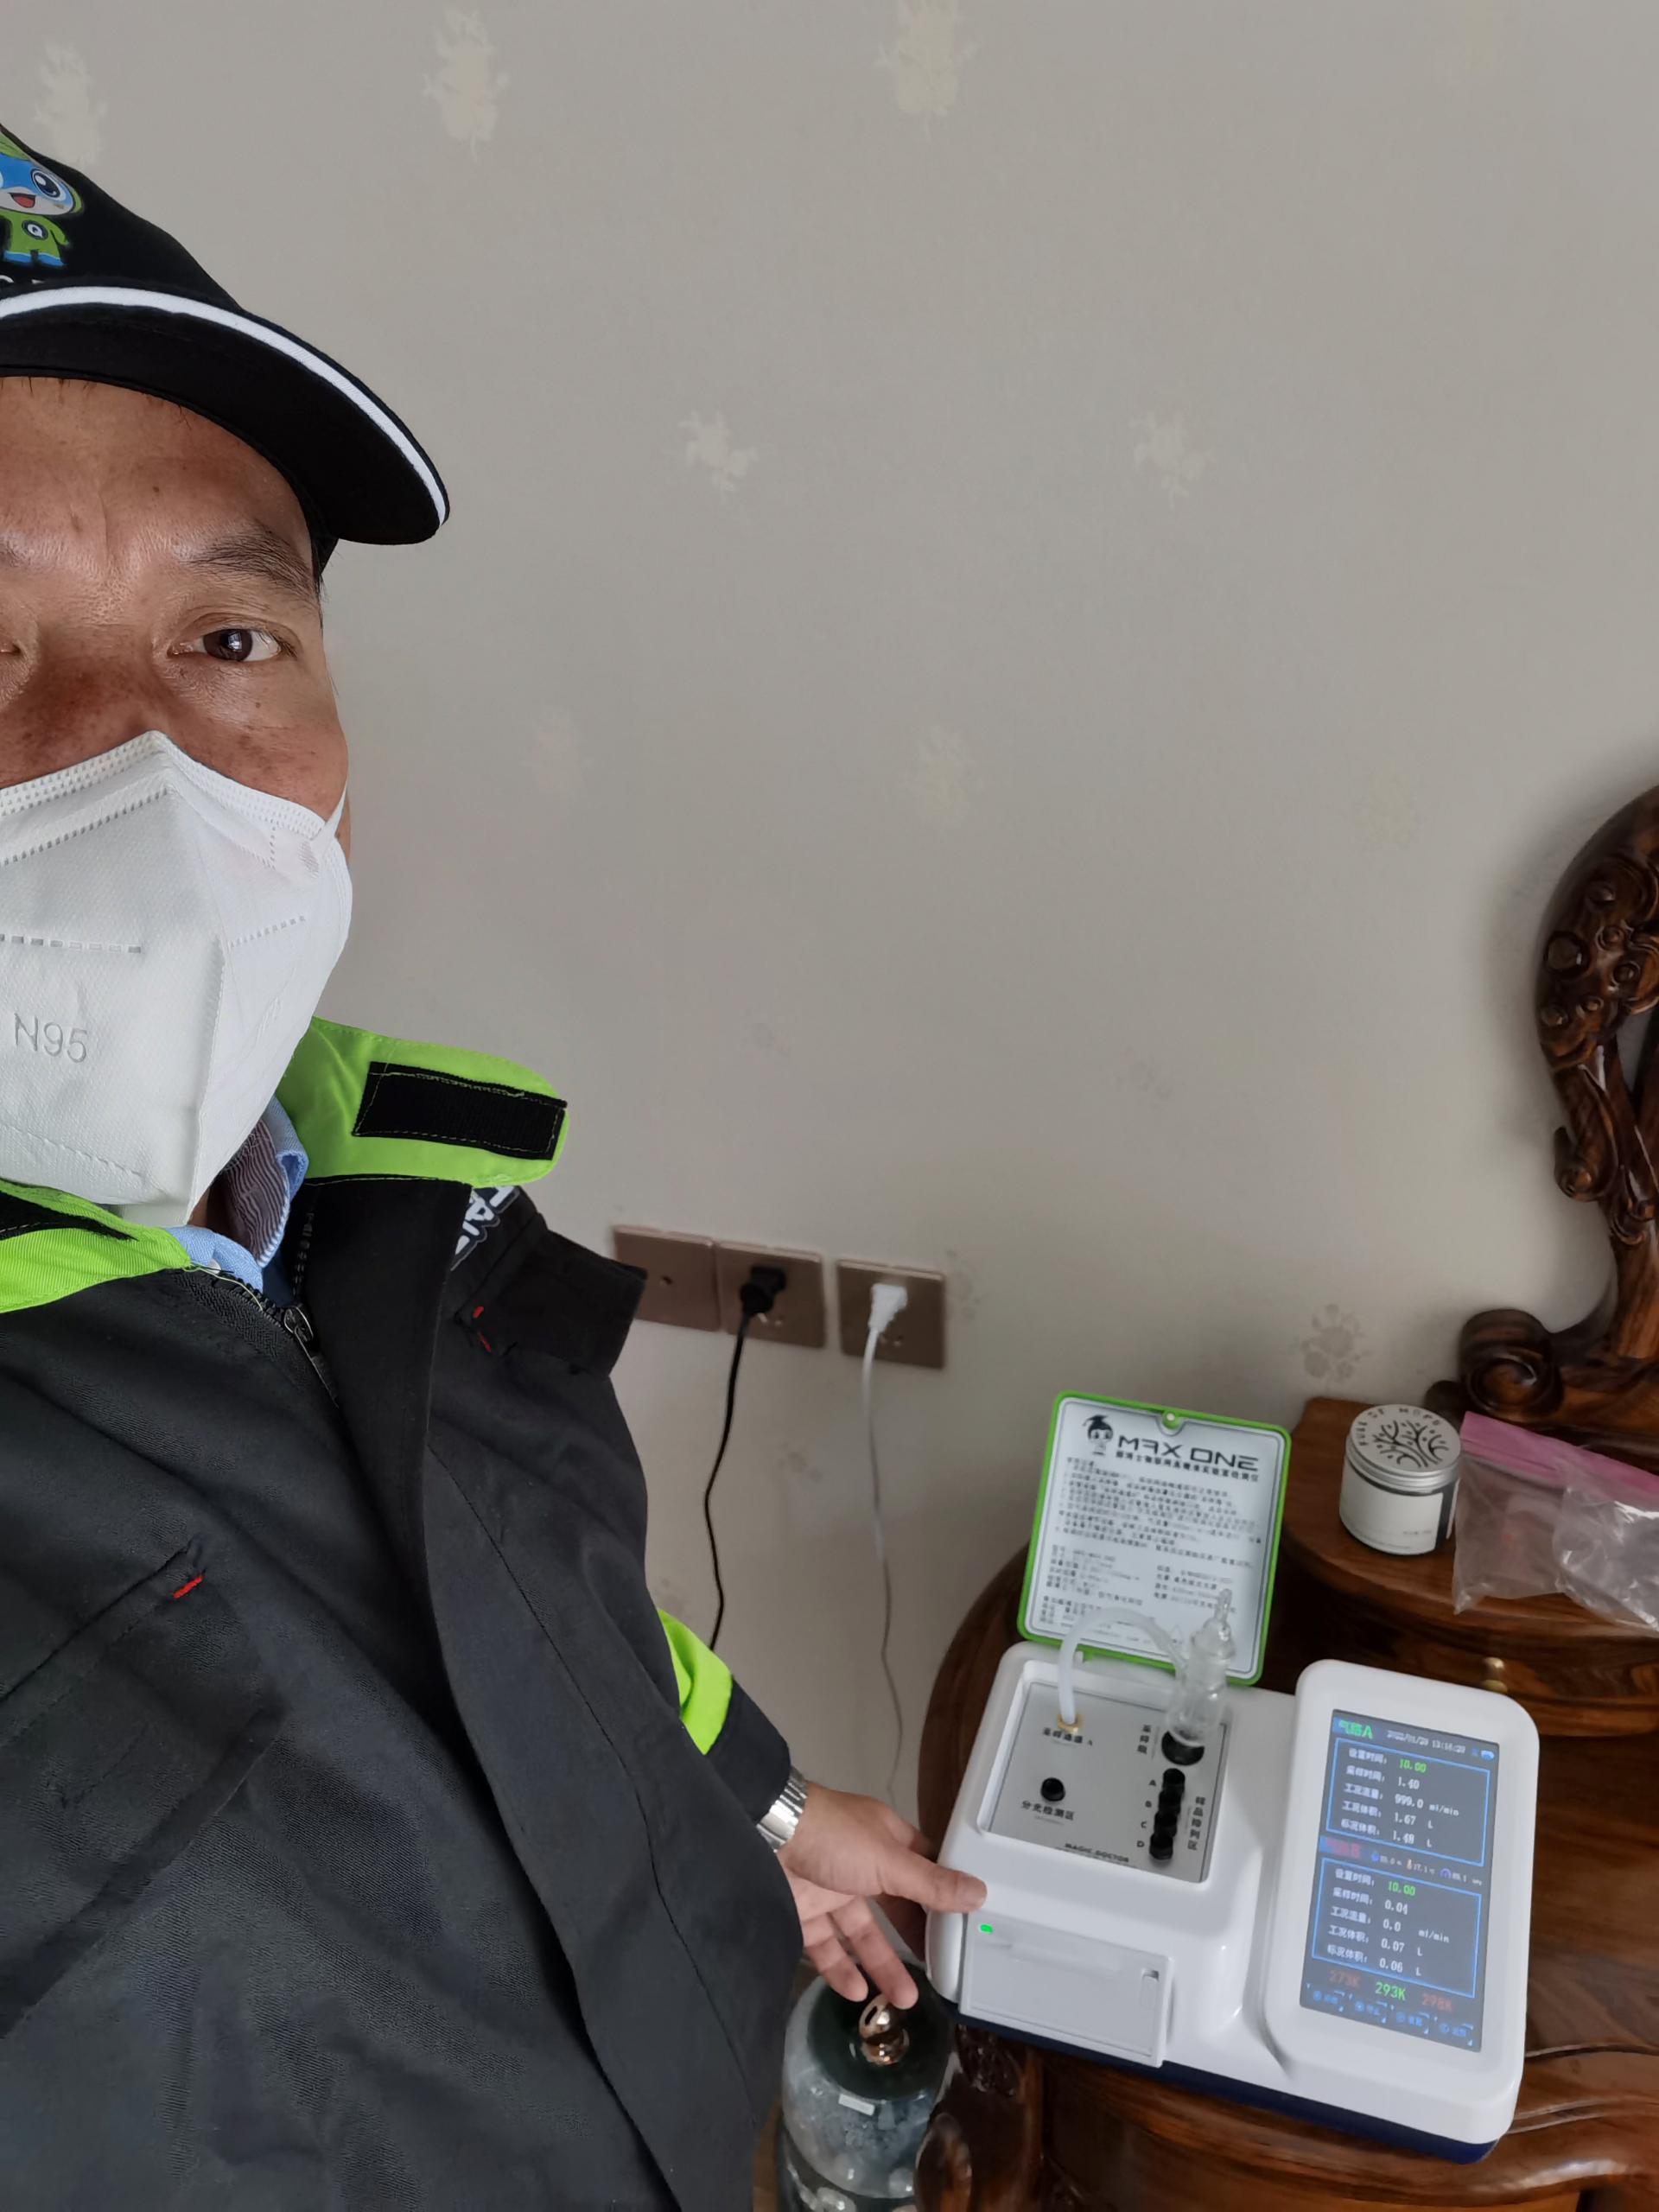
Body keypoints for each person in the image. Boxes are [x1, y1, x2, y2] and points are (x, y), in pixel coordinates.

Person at [0, 124, 983, 2211]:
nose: (140, 752)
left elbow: (532, 1595)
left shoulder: (393, 1209)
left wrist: (763, 1806)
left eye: (229, 638)